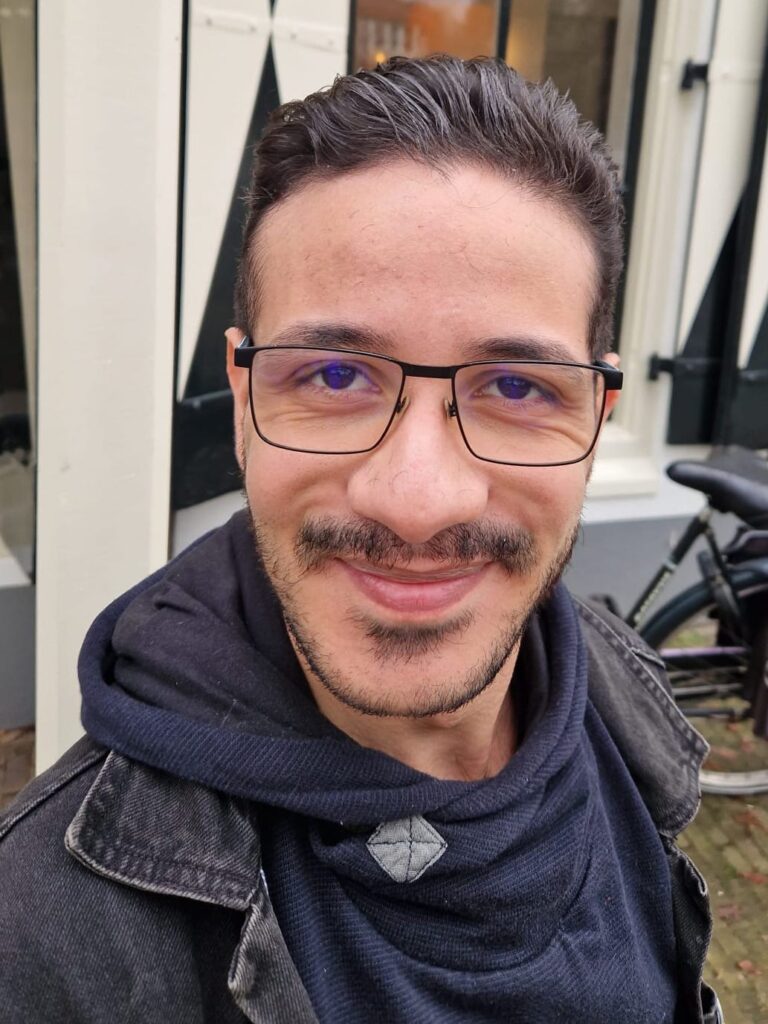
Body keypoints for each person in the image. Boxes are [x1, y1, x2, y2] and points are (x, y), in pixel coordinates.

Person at [0, 56, 719, 1024]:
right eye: (335, 376)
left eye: (516, 387)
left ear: (596, 419)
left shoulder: (622, 703)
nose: (417, 502)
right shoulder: (43, 942)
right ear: (244, 400)